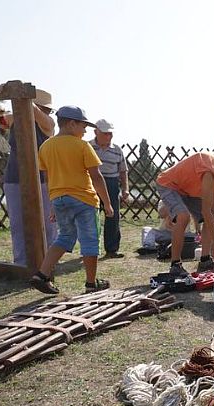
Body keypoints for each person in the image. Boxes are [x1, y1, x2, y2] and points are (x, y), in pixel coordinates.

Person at [30, 106, 114, 295]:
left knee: (65, 237)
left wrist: (54, 204)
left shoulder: (46, 146)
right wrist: (107, 203)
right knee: (90, 240)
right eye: (83, 126)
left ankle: (42, 275)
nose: (85, 131)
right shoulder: (82, 146)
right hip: (84, 199)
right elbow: (96, 176)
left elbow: (50, 176)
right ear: (71, 123)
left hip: (59, 199)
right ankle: (91, 283)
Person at [0, 89, 57, 265]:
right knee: (18, 224)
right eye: (45, 109)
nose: (47, 112)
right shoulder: (13, 118)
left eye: (47, 110)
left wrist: (12, 91)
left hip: (43, 179)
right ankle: (22, 262)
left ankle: (49, 262)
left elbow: (33, 111)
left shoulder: (48, 123)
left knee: (48, 223)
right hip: (14, 177)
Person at [89, 119, 129, 258]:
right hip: (91, 183)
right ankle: (91, 250)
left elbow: (123, 171)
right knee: (91, 217)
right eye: (105, 133)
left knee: (112, 216)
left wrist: (125, 188)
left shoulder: (117, 150)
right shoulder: (88, 147)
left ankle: (111, 249)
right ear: (96, 132)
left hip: (112, 183)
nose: (108, 136)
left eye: (110, 133)